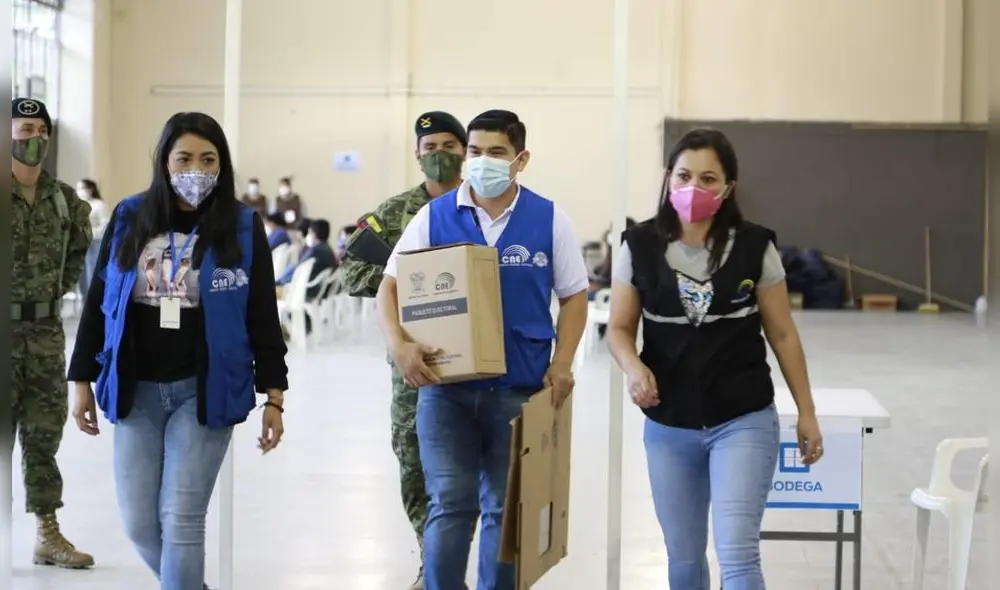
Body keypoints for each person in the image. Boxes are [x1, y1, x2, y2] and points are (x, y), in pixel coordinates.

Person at [66, 111, 288, 590]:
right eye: (184, 158)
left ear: (222, 166)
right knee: (139, 524)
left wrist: (275, 395)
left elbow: (262, 316)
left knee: (183, 520)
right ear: (164, 161)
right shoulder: (129, 215)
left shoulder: (244, 225)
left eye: (208, 160)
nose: (196, 170)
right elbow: (99, 304)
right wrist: (80, 380)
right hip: (135, 387)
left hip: (204, 391)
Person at [376, 109, 589, 590]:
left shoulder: (549, 219)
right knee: (450, 503)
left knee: (504, 508)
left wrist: (562, 363)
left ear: (521, 160)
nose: (482, 161)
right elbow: (388, 288)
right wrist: (400, 346)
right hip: (445, 390)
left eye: (496, 152)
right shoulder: (435, 216)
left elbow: (575, 295)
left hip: (518, 390)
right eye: (475, 152)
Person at [604, 128, 823, 590]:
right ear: (668, 179)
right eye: (684, 176)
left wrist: (807, 412)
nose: (694, 188)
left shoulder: (755, 247)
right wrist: (633, 366)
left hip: (741, 418)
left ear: (728, 189)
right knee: (683, 559)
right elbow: (620, 330)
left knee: (738, 554)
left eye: (708, 179)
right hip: (668, 424)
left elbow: (783, 334)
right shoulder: (637, 246)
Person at [339, 110, 467, 590]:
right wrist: (415, 287)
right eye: (430, 148)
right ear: (417, 154)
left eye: (450, 146)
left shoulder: (487, 208)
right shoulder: (393, 214)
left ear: (466, 151)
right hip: (415, 354)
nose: (439, 156)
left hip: (483, 358)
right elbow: (352, 272)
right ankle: (432, 564)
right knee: (414, 459)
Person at [11, 97, 96, 569]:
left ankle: (47, 533)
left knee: (43, 436)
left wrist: (45, 299)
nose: (33, 138)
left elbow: (77, 260)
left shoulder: (67, 201)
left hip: (44, 333)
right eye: (24, 130)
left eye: (41, 129)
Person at [277, 218, 337, 300]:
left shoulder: (315, 250)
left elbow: (298, 268)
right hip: (319, 290)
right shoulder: (328, 249)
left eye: (309, 232)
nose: (308, 235)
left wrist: (279, 282)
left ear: (314, 233)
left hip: (307, 289)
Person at [78, 178, 111, 296]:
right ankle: (84, 301)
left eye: (82, 188)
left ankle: (93, 300)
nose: (80, 191)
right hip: (80, 244)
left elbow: (105, 224)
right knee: (81, 276)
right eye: (78, 188)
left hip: (94, 243)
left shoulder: (99, 205)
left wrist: (91, 233)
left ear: (90, 189)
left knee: (91, 273)